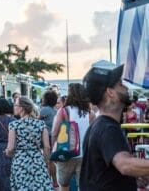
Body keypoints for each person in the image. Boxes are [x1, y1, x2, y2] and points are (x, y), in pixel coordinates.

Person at [80, 60, 149, 190]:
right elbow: (124, 165)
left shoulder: (98, 126)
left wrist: (132, 178)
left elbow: (103, 174)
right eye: (120, 84)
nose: (126, 87)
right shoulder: (108, 128)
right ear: (110, 92)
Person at [51, 83, 93, 191]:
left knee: (64, 185)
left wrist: (53, 150)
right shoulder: (90, 113)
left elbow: (55, 132)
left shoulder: (64, 111)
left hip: (66, 153)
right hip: (84, 155)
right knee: (82, 186)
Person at [5, 96, 53, 190]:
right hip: (37, 161)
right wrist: (45, 161)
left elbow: (10, 148)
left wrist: (8, 152)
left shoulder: (14, 125)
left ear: (22, 108)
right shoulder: (41, 124)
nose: (13, 107)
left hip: (20, 161)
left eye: (15, 105)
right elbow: (47, 147)